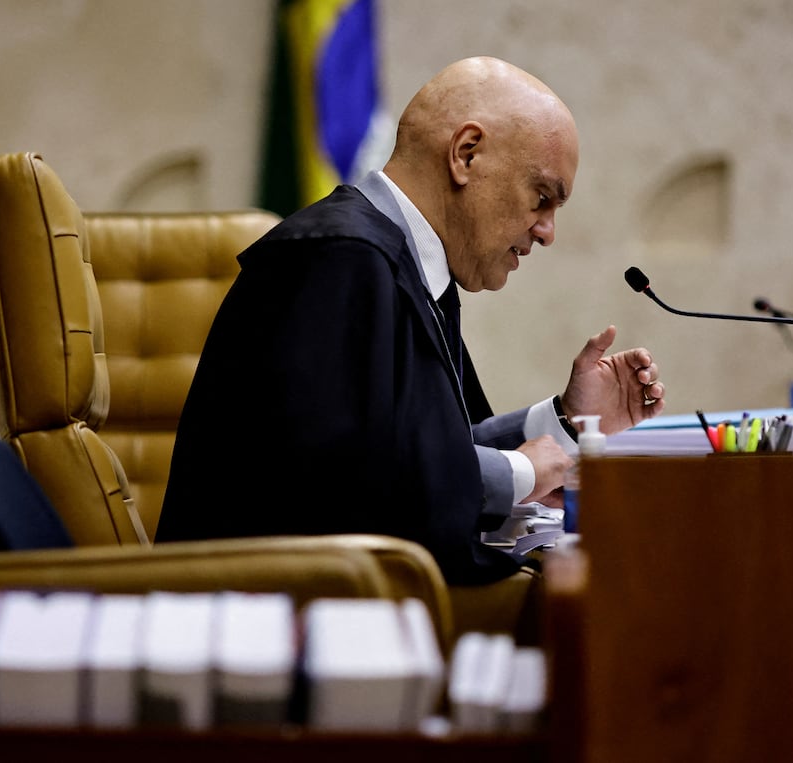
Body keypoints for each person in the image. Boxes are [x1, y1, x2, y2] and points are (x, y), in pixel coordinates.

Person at [155, 56, 665, 584]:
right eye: (541, 199)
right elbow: (349, 489)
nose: (547, 232)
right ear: (466, 155)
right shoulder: (338, 259)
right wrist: (524, 471)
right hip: (259, 620)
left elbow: (425, 445)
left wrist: (562, 421)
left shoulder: (399, 260)